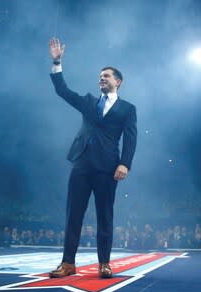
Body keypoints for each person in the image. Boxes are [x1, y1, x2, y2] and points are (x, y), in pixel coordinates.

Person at [48, 37, 137, 279]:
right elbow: (62, 91)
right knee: (73, 214)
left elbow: (130, 139)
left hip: (108, 167)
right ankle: (68, 263)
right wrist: (57, 63)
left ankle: (104, 264)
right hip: (82, 163)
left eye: (106, 75)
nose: (102, 78)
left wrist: (125, 163)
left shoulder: (128, 109)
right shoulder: (88, 102)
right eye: (100, 75)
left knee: (104, 216)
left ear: (117, 81)